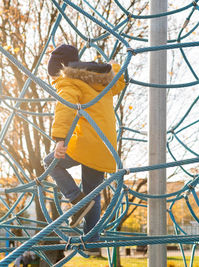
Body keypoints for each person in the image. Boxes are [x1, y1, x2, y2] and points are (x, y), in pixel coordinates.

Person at [44, 44, 125, 255]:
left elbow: (65, 106)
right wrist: (112, 66)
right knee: (94, 194)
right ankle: (92, 242)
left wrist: (59, 139)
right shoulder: (101, 79)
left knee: (50, 163)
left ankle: (76, 200)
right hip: (106, 147)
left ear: (60, 68)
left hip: (86, 143)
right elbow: (119, 78)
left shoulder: (69, 80)